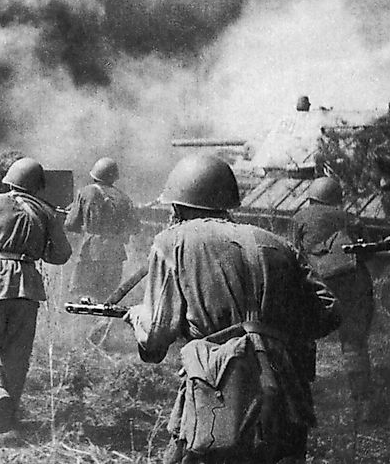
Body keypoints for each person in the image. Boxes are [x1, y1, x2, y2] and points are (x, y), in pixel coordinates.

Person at [124, 155, 339, 463]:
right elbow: (329, 310)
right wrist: (272, 336)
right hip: (285, 388)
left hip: (219, 392)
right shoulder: (278, 244)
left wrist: (136, 318)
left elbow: (157, 334)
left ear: (176, 207)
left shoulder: (172, 240)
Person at [0, 157, 72, 434]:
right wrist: (37, 248)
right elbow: (61, 255)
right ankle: (8, 420)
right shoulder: (46, 212)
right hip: (26, 286)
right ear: (37, 187)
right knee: (17, 354)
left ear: (10, 180)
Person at [289, 177, 376, 414]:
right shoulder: (351, 219)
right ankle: (364, 404)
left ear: (312, 197)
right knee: (354, 343)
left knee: (304, 337)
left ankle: (303, 399)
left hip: (317, 284)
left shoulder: (299, 218)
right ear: (336, 198)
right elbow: (367, 254)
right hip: (354, 285)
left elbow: (293, 254)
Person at [65, 157, 140, 302]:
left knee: (84, 297)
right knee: (106, 299)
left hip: (91, 251)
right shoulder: (124, 197)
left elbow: (70, 224)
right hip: (116, 253)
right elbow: (135, 227)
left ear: (94, 174)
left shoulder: (85, 192)